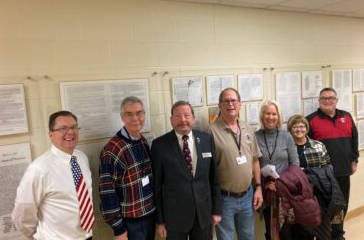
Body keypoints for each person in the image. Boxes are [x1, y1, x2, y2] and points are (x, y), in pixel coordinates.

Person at [12, 110, 95, 240]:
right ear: (50, 134)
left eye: (74, 127)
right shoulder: (39, 169)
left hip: (87, 236)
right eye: (63, 128)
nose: (71, 132)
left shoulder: (82, 158)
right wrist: (35, 236)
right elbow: (23, 212)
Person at [151, 100, 221, 240]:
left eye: (187, 115)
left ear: (193, 118)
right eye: (177, 116)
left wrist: (216, 211)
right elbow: (157, 186)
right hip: (175, 217)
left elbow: (214, 179)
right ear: (171, 119)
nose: (183, 120)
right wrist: (160, 221)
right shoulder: (160, 145)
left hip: (203, 214)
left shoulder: (206, 139)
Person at [208, 88, 262, 240]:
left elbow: (255, 159)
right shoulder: (211, 131)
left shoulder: (247, 128)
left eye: (233, 101)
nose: (230, 104)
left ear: (240, 104)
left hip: (248, 195)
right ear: (220, 105)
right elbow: (208, 170)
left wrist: (258, 188)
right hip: (224, 199)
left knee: (248, 236)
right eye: (226, 101)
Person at [99, 96, 155, 240]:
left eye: (139, 113)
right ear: (122, 117)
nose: (135, 118)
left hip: (149, 216)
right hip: (130, 223)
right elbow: (107, 192)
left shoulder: (142, 141)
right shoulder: (112, 150)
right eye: (129, 114)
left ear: (144, 115)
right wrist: (118, 228)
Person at [306, 87, 359, 240]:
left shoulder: (347, 117)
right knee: (324, 207)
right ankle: (324, 235)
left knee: (341, 205)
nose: (327, 101)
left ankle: (338, 234)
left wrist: (354, 160)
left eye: (331, 98)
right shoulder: (311, 120)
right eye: (324, 98)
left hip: (343, 171)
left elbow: (354, 139)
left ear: (336, 100)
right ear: (319, 101)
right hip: (322, 176)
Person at [255, 100, 299, 240]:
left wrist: (280, 183)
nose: (271, 117)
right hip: (266, 191)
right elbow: (253, 164)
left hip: (285, 190)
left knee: (286, 231)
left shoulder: (286, 136)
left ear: (278, 117)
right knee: (270, 230)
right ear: (262, 116)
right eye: (267, 113)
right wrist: (264, 184)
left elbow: (295, 163)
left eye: (274, 114)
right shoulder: (255, 137)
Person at [287, 114, 331, 240]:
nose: (299, 129)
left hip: (318, 193)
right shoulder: (287, 148)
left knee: (321, 229)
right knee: (301, 230)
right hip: (297, 196)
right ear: (290, 130)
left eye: (302, 126)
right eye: (295, 127)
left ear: (306, 128)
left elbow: (327, 167)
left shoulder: (318, 146)